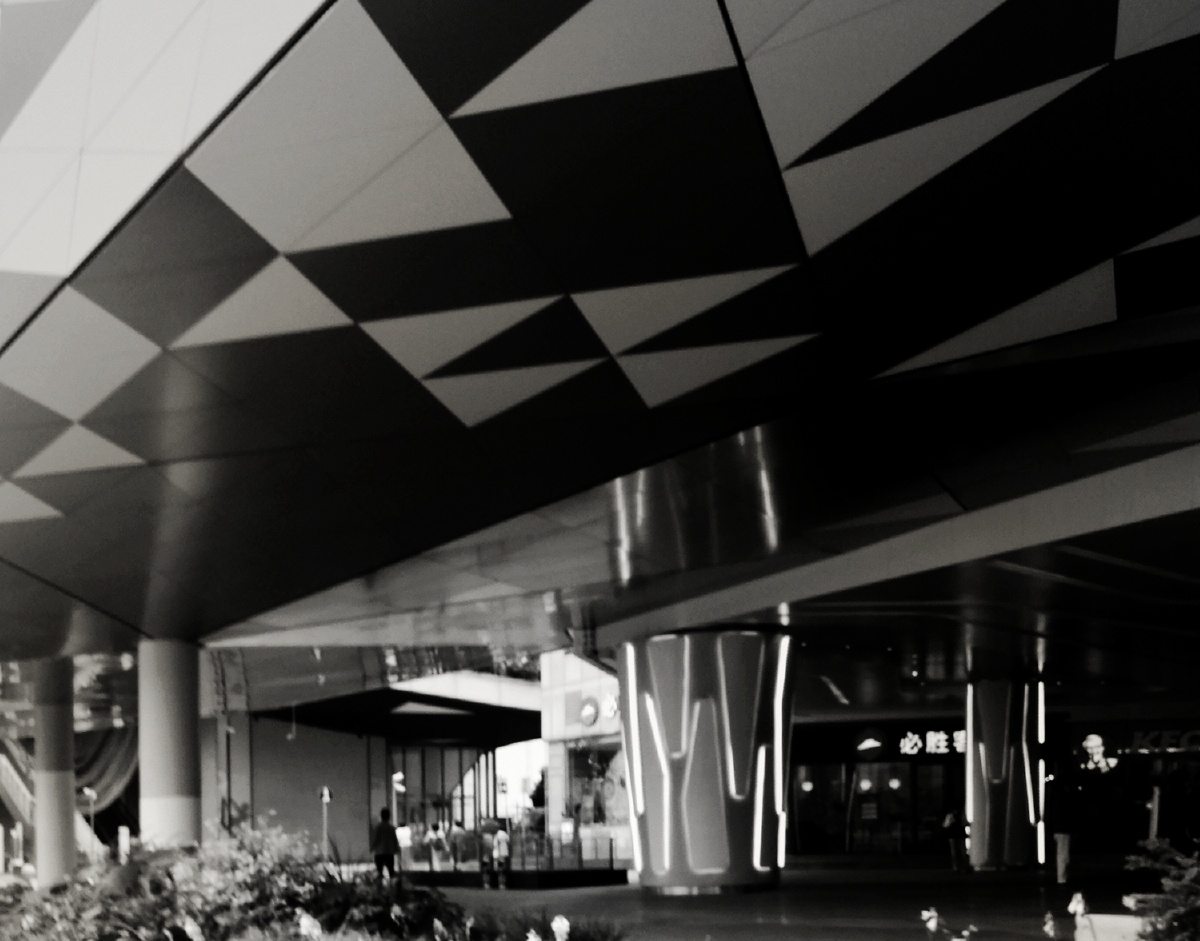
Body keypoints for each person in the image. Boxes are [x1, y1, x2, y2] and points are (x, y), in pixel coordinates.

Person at [370, 808, 400, 881]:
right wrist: (397, 849)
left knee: (379, 871)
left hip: (379, 852)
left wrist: (372, 848)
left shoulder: (378, 827)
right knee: (391, 871)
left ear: (381, 816)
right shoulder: (391, 828)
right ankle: (392, 885)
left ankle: (380, 885)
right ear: (389, 816)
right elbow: (395, 840)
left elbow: (375, 839)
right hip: (389, 853)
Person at [941, 808, 967, 872]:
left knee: (955, 852)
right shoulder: (961, 814)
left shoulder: (950, 816)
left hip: (953, 835)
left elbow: (945, 825)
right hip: (960, 835)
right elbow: (964, 823)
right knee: (962, 851)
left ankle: (956, 867)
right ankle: (963, 866)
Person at [492, 823, 510, 889]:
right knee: (502, 867)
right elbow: (508, 842)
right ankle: (502, 884)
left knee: (498, 868)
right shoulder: (505, 834)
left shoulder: (496, 834)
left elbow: (495, 844)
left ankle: (500, 883)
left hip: (497, 853)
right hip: (503, 852)